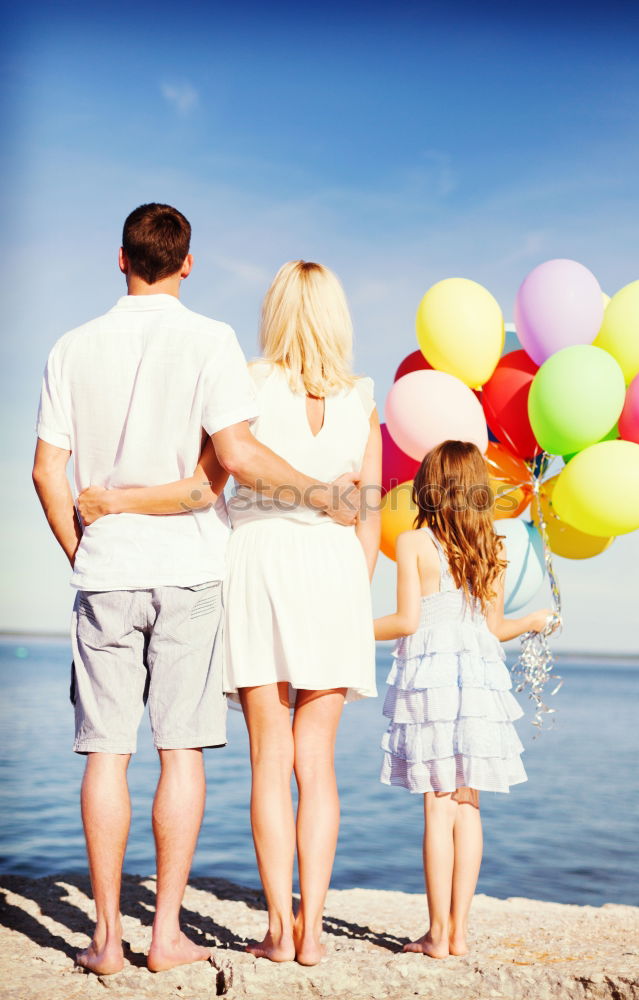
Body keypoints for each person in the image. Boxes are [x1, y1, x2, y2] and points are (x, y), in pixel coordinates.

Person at [32, 207, 359, 977]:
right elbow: (234, 454)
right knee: (181, 752)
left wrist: (84, 549)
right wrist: (322, 495)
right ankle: (165, 935)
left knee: (105, 754)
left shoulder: (70, 347)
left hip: (106, 569)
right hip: (189, 572)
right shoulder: (210, 340)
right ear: (186, 264)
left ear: (120, 260)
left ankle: (106, 938)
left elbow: (49, 472)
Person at [375, 440, 555, 959]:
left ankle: (435, 934)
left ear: (430, 486)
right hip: (477, 677)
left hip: (431, 672)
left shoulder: (414, 544)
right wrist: (533, 621)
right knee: (467, 804)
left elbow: (407, 621)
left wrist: (350, 628)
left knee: (436, 804)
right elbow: (496, 627)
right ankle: (459, 933)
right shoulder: (493, 543)